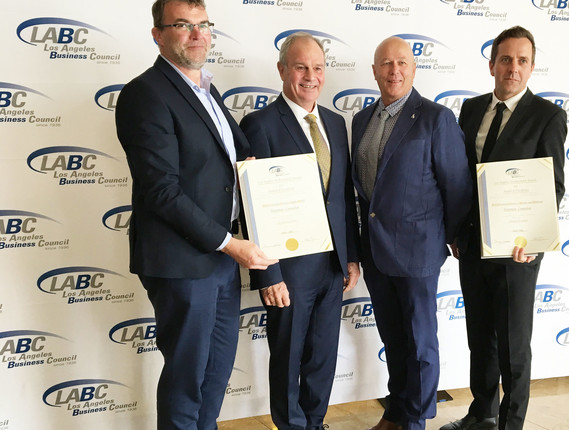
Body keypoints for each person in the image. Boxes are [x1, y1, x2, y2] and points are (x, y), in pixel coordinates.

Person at [115, 0, 276, 428]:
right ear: (157, 34)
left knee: (216, 374)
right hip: (184, 262)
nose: (196, 34)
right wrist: (229, 244)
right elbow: (161, 190)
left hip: (221, 257)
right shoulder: (144, 93)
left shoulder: (207, 90)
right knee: (188, 380)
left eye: (203, 25)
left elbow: (227, 166)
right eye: (183, 25)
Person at [442, 26, 567, 430]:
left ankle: (511, 423)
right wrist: (457, 231)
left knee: (513, 345)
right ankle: (482, 413)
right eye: (506, 59)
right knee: (480, 336)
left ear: (531, 67)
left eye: (522, 60)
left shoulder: (548, 116)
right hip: (473, 245)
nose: (513, 68)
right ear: (492, 63)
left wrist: (531, 238)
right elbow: (461, 177)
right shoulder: (472, 109)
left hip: (517, 252)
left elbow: (553, 185)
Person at [239, 33, 361, 430]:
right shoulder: (258, 125)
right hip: (287, 269)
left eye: (318, 68)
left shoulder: (334, 123)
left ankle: (315, 421)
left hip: (332, 266)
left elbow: (342, 196)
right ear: (282, 70)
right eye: (300, 67)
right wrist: (267, 274)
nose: (311, 76)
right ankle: (291, 426)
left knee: (323, 354)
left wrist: (352, 255)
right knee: (288, 355)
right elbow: (252, 206)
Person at [351, 36, 472, 430]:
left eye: (402, 62)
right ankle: (397, 410)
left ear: (414, 69)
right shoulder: (361, 121)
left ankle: (415, 419)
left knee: (420, 343)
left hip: (418, 252)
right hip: (375, 252)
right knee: (394, 340)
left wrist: (453, 237)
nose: (394, 71)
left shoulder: (436, 118)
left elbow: (455, 186)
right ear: (374, 71)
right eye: (385, 64)